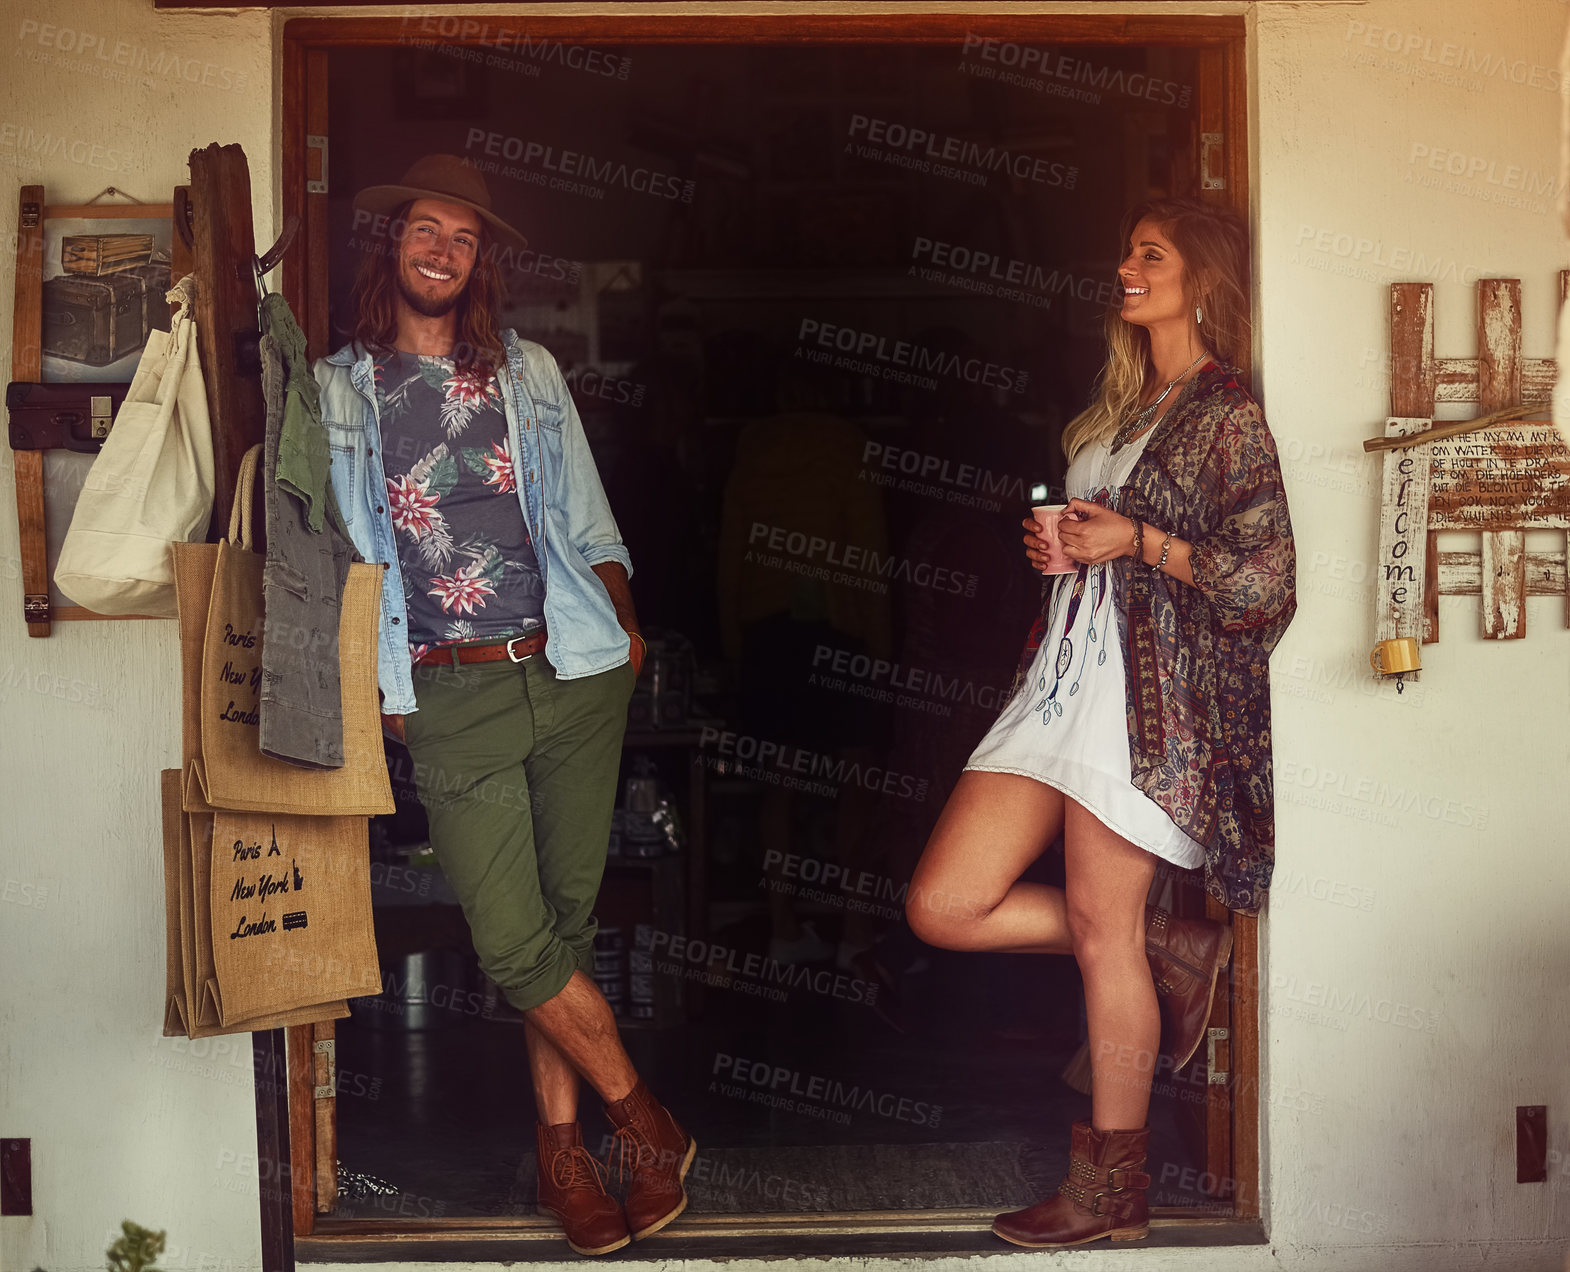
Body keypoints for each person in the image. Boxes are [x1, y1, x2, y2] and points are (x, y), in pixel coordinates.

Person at [315, 154, 692, 1257]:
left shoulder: (526, 371)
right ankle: (642, 1116)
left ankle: (565, 1158)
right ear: (391, 246)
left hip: (570, 672)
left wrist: (622, 630)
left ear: (482, 260)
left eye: (463, 236)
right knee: (513, 940)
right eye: (423, 228)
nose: (441, 248)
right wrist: (370, 687)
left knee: (564, 930)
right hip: (444, 688)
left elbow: (590, 522)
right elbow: (327, 551)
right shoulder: (337, 390)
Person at [905, 197, 1295, 1248]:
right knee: (943, 902)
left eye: (1150, 255)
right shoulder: (1126, 405)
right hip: (1059, 686)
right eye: (1126, 250)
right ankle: (1171, 936)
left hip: (1147, 708)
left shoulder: (1226, 415)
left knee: (1097, 938)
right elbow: (1106, 542)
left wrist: (1140, 541)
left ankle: (1111, 1185)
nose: (1125, 267)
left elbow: (1263, 586)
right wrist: (1068, 552)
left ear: (1201, 280)